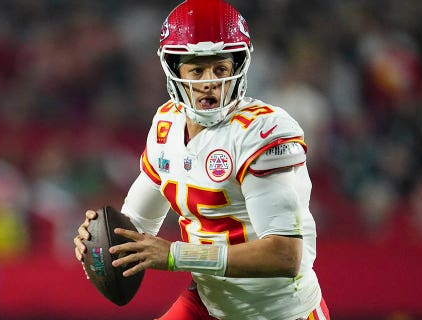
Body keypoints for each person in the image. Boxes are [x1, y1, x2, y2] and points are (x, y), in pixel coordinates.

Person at [74, 0, 330, 319]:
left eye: (220, 68)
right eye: (197, 69)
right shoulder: (166, 125)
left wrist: (175, 255)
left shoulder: (264, 131)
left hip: (280, 312)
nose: (209, 80)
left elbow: (285, 255)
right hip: (209, 304)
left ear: (237, 69)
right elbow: (136, 227)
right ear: (175, 70)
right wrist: (98, 243)